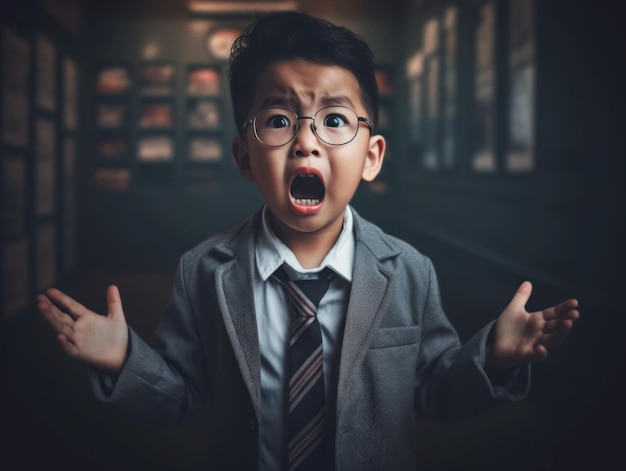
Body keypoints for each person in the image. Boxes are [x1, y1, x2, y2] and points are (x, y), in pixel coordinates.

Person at [37, 11, 579, 471]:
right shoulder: (203, 270)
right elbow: (185, 394)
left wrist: (494, 358)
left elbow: (432, 390)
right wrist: (126, 359)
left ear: (371, 157)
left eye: (335, 119)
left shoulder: (410, 270)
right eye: (277, 120)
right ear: (244, 158)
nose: (305, 142)